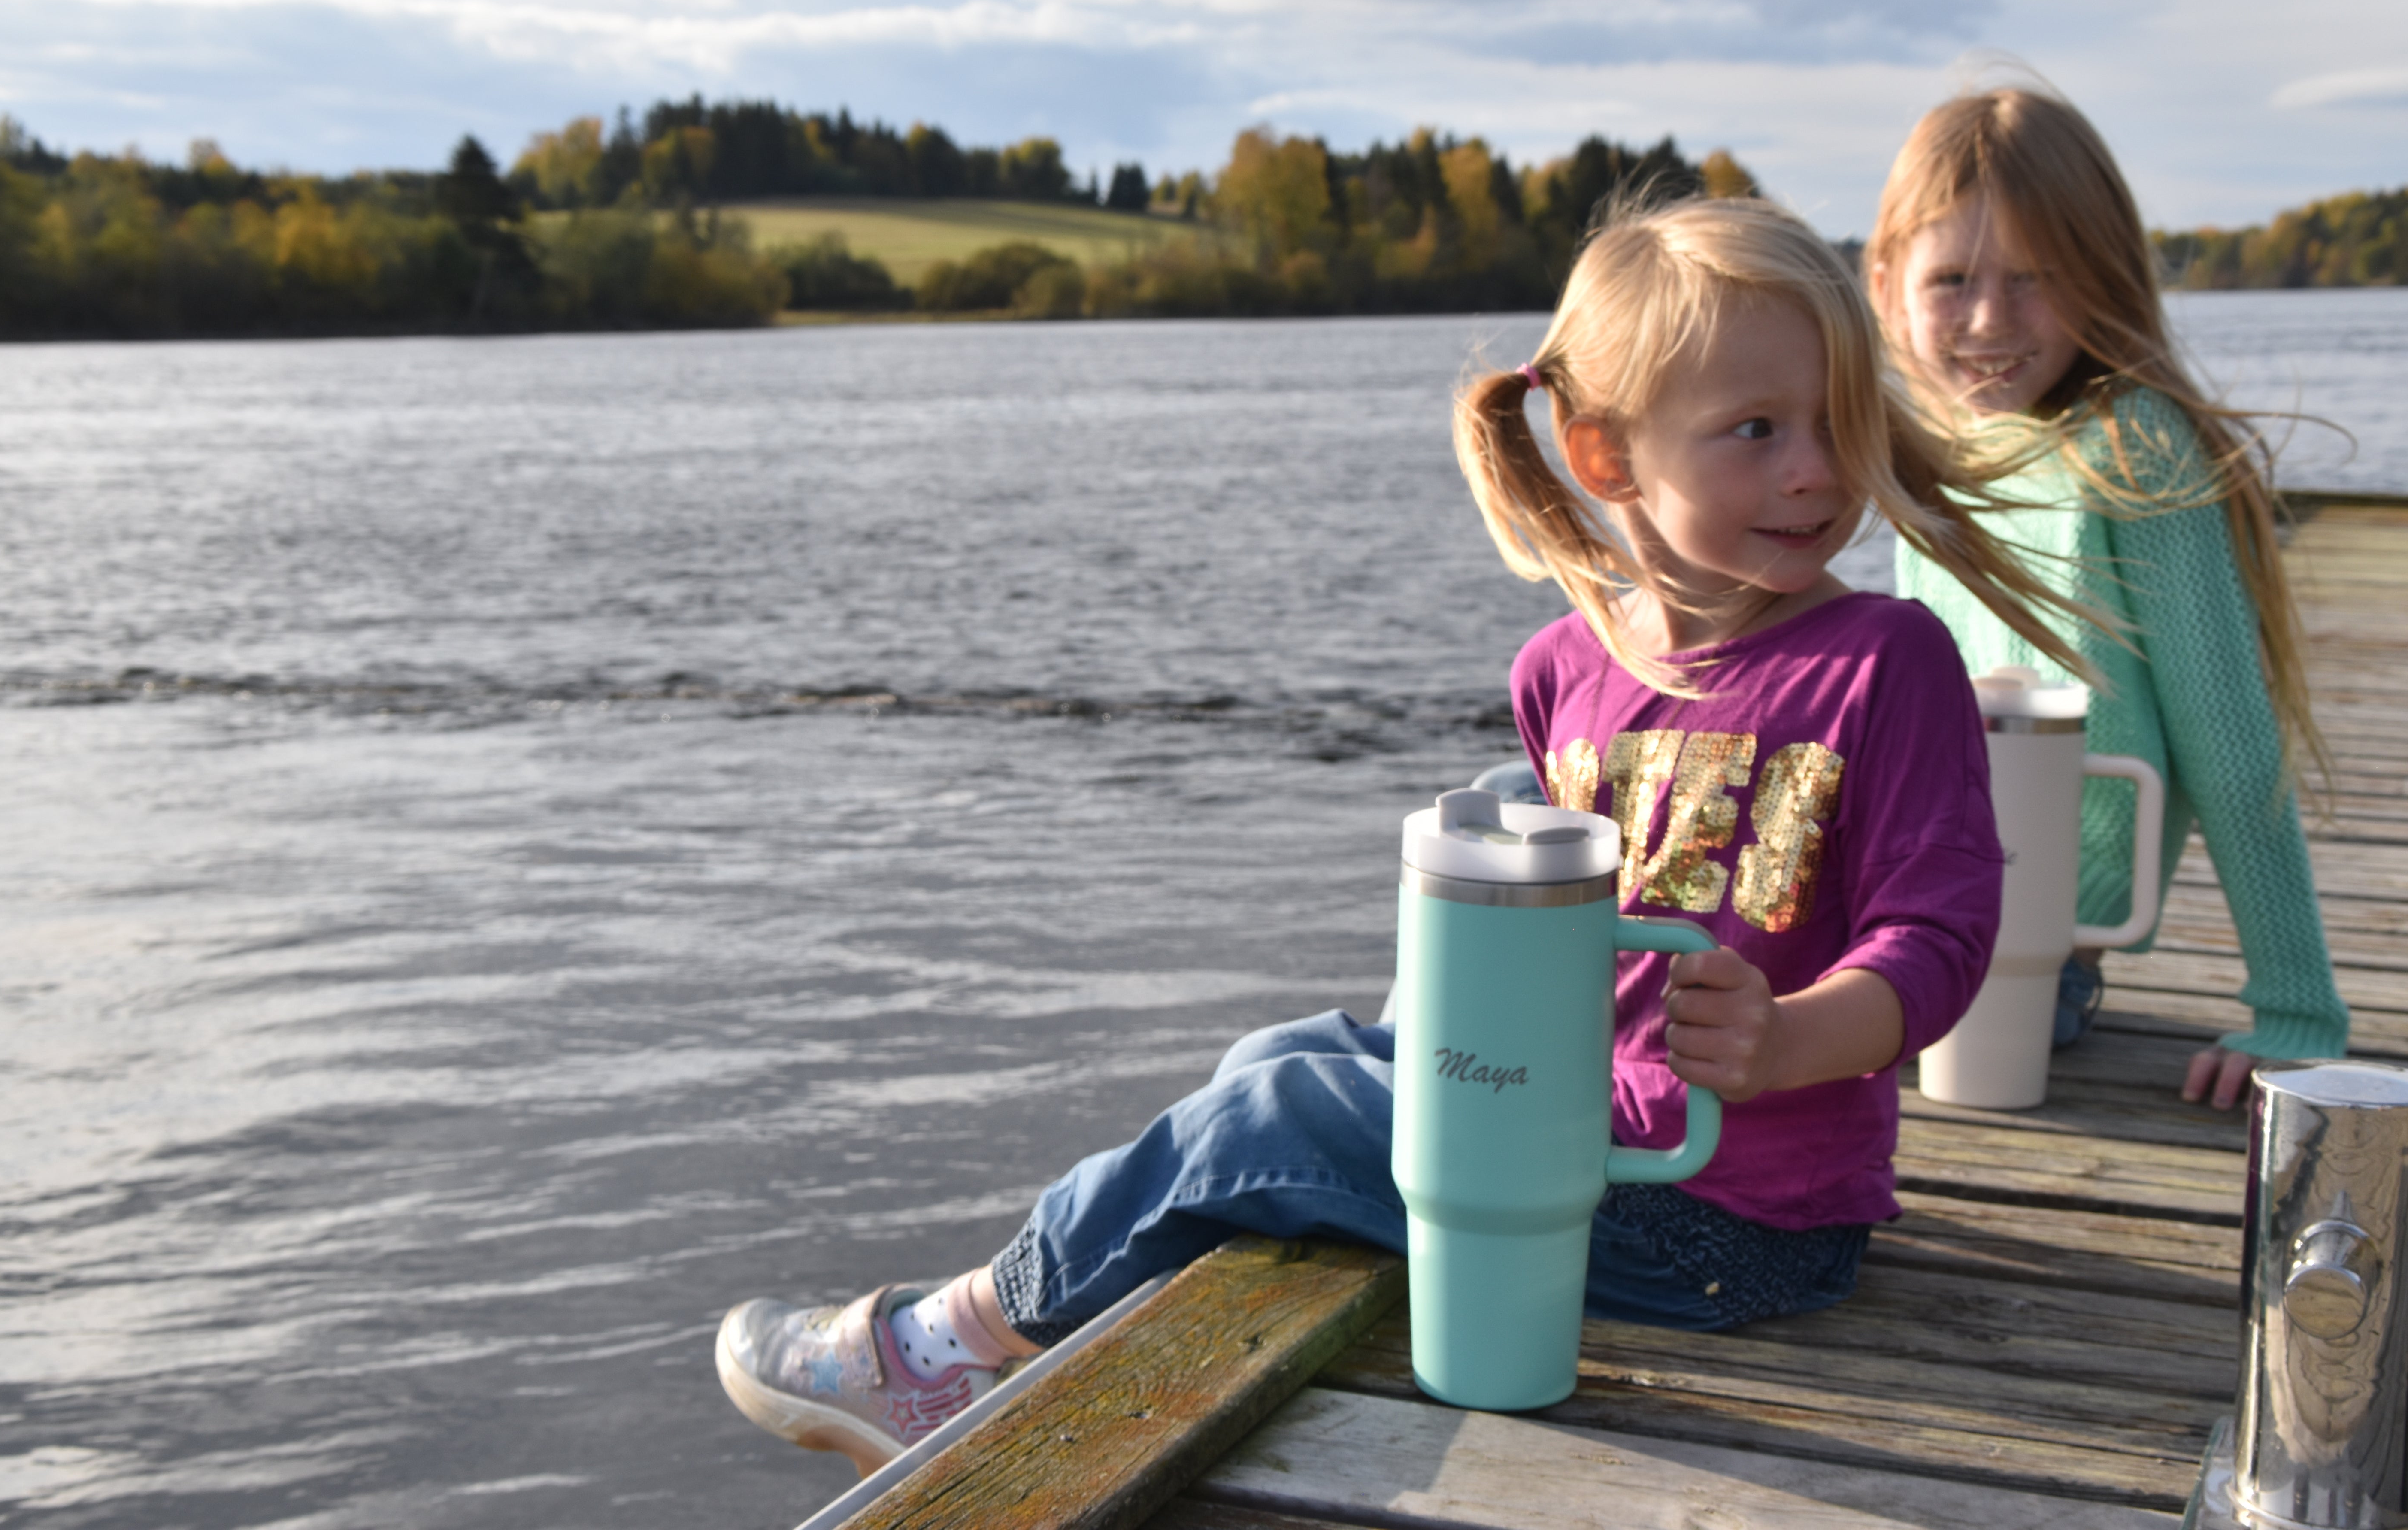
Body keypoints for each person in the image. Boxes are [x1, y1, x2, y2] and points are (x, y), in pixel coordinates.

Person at [712, 195, 2095, 1477]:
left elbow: (1944, 932)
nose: (1815, 473)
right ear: (1608, 452)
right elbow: (1551, 969)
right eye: (1757, 432)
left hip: (1727, 1221)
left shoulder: (1882, 659)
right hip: (1569, 1145)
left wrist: (1800, 1032)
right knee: (1288, 1055)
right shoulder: (1567, 665)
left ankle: (945, 1346)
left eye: (1838, 426)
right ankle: (1081, 1318)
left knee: (1274, 1118)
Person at [1868, 85, 2349, 1109]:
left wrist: (2296, 1010)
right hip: (1909, 906)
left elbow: (2230, 742)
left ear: (2106, 281)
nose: (1990, 318)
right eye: (1952, 279)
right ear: (1884, 286)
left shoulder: (2137, 452)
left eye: (2036, 279)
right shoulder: (1922, 457)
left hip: (2033, 953)